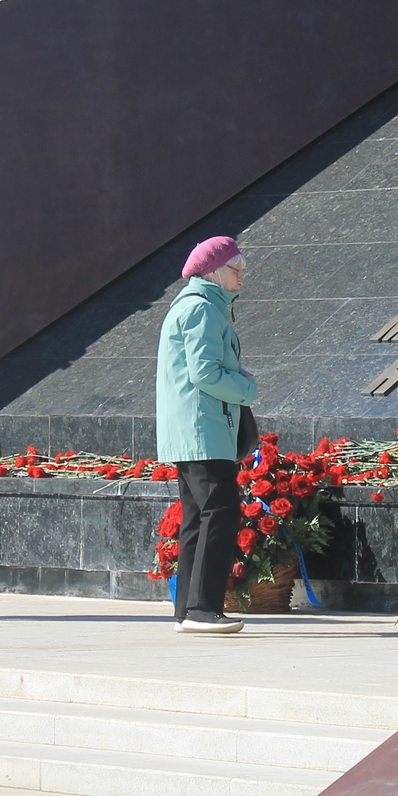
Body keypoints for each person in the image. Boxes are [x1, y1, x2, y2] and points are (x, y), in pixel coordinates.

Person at [155, 236, 258, 634]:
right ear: (213, 271)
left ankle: (189, 610)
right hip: (204, 428)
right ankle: (202, 609)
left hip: (196, 428)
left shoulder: (196, 306)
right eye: (237, 269)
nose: (242, 278)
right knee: (221, 512)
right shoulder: (203, 310)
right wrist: (246, 388)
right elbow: (205, 374)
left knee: (198, 517)